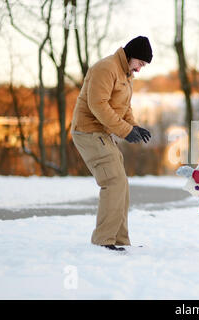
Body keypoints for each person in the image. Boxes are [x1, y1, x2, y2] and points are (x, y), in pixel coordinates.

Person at [71, 36, 153, 251]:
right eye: (141, 63)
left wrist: (134, 126)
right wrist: (126, 131)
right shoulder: (106, 68)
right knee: (113, 181)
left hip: (101, 132)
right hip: (88, 130)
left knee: (121, 184)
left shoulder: (125, 74)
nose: (140, 69)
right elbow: (97, 104)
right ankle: (103, 240)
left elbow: (124, 108)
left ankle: (119, 240)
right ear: (131, 55)